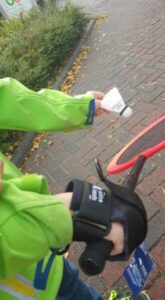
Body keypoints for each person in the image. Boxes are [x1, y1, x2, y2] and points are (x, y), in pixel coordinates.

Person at [0, 77, 150, 300]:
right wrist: (77, 209)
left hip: (44, 260)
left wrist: (80, 106)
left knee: (74, 288)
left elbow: (13, 98)